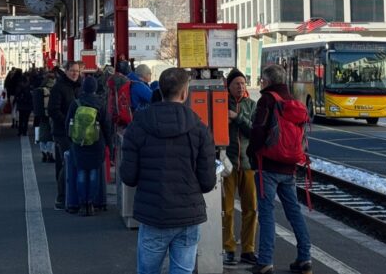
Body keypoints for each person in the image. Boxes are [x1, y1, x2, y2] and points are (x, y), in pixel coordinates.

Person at [121, 67, 216, 274]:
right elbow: (208, 182)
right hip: (188, 216)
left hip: (153, 214)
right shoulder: (200, 129)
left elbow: (128, 176)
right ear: (184, 93)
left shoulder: (138, 126)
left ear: (160, 90)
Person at [246, 64, 312, 274]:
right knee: (294, 213)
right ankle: (305, 258)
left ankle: (265, 261)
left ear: (266, 81)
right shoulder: (293, 101)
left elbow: (258, 131)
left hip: (268, 167)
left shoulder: (267, 100)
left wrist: (252, 154)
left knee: (266, 214)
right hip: (289, 167)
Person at [222, 69, 258, 266]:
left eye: (243, 83)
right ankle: (228, 248)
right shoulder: (221, 103)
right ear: (228, 86)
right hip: (227, 164)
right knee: (226, 209)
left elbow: (254, 131)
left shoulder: (251, 106)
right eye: (237, 83)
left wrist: (237, 118)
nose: (241, 87)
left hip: (247, 163)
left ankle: (248, 249)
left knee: (251, 208)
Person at [66, 76, 113, 216]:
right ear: (95, 88)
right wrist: (108, 145)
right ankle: (91, 204)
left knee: (81, 173)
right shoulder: (100, 103)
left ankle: (82, 204)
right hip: (96, 143)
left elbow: (68, 124)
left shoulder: (76, 103)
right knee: (93, 173)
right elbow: (107, 126)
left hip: (79, 144)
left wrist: (72, 140)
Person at [48, 61, 82, 210]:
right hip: (62, 132)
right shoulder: (58, 88)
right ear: (66, 71)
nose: (75, 73)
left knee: (66, 162)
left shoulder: (80, 87)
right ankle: (61, 198)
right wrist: (69, 122)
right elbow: (53, 111)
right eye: (72, 71)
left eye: (77, 71)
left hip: (76, 132)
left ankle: (70, 196)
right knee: (67, 162)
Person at [33, 72, 57, 162]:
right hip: (50, 114)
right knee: (50, 135)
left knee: (42, 135)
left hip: (41, 114)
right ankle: (49, 153)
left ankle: (43, 152)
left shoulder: (40, 88)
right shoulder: (53, 87)